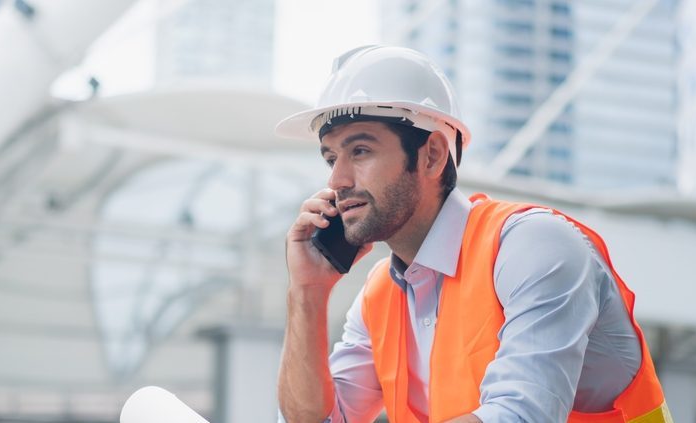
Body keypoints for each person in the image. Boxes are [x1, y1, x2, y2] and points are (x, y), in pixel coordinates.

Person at [275, 45, 671, 423]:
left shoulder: (535, 246)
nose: (337, 179)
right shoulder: (380, 298)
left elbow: (521, 415)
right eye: (331, 158)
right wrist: (307, 293)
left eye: (360, 151)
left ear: (431, 155)